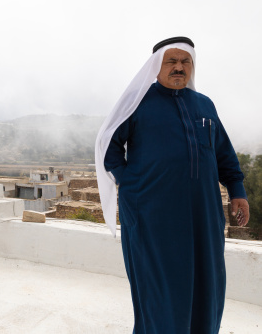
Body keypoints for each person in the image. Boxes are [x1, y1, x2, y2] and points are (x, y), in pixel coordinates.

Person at [94, 37, 250, 333]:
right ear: (156, 67)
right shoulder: (137, 103)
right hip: (152, 216)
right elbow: (108, 144)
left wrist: (237, 192)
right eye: (171, 62)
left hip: (203, 216)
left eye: (185, 62)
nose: (179, 68)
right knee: (160, 288)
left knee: (208, 283)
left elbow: (224, 155)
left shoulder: (205, 105)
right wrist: (131, 183)